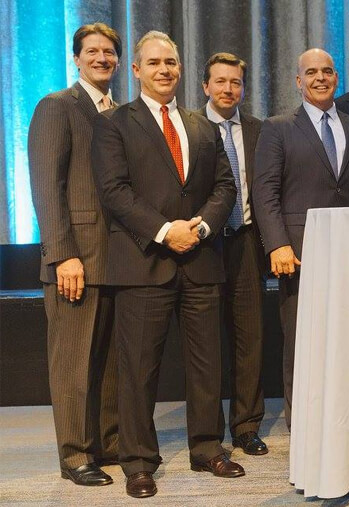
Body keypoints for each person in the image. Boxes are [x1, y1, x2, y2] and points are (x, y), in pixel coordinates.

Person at [91, 31, 241, 498]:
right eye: (154, 63)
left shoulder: (203, 124)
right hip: (143, 262)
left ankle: (207, 447)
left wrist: (198, 229)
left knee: (206, 363)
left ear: (180, 69)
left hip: (200, 261)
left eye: (171, 63)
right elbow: (114, 191)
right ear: (136, 70)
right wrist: (164, 231)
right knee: (138, 368)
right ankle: (138, 462)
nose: (164, 70)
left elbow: (225, 188)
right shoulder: (115, 123)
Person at [252, 49, 349, 427]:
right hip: (298, 252)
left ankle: (345, 423)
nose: (321, 78)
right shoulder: (278, 127)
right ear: (298, 81)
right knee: (302, 341)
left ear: (338, 76)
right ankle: (301, 425)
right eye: (311, 73)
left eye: (328, 71)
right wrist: (277, 244)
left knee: (348, 338)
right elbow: (264, 191)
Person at [28, 21, 121, 487]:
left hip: (117, 260)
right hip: (75, 260)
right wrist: (63, 253)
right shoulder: (56, 107)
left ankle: (106, 442)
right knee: (72, 363)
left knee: (106, 361)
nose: (101, 58)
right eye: (92, 51)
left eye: (109, 52)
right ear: (77, 58)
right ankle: (75, 455)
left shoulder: (121, 113)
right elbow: (48, 187)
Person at [197, 52, 268, 456]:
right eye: (220, 82)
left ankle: (246, 425)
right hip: (203, 245)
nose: (228, 89)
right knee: (206, 343)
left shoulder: (260, 130)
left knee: (249, 338)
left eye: (235, 82)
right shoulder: (187, 127)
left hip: (246, 241)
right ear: (206, 86)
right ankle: (208, 431)